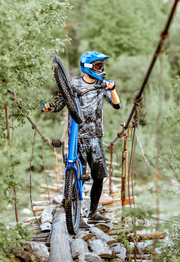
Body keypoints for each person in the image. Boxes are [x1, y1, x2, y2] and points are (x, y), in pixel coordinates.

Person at [42, 51, 121, 228]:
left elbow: (116, 105)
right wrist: (49, 107)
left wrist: (112, 89)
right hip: (76, 135)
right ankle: (75, 210)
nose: (101, 69)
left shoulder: (102, 85)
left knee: (99, 176)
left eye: (102, 65)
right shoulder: (72, 84)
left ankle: (93, 212)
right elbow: (59, 103)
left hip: (95, 135)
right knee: (77, 174)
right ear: (88, 67)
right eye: (98, 66)